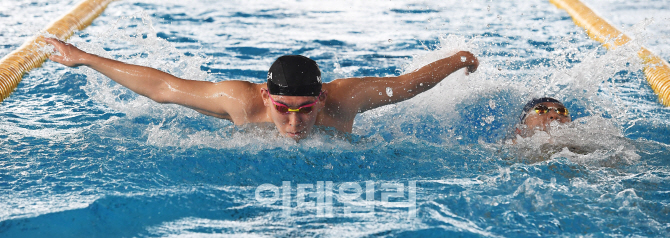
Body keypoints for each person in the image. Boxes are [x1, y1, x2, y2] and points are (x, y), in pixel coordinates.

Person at [45, 37, 479, 141]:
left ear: (323, 96)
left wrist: (459, 59)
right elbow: (163, 86)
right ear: (265, 97)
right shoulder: (238, 101)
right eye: (283, 110)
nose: (294, 123)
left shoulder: (347, 98)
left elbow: (407, 85)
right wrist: (84, 57)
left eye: (306, 110)